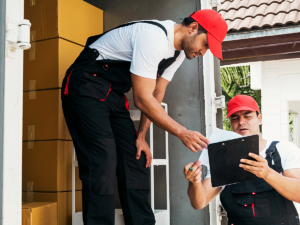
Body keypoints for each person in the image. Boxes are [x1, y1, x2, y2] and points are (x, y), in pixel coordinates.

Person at [61, 9, 227, 225]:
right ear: (193, 28)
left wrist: (141, 137)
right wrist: (182, 132)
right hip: (85, 85)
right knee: (103, 159)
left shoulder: (177, 53)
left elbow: (156, 95)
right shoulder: (154, 37)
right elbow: (141, 99)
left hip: (112, 93)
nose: (203, 52)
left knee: (134, 157)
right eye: (205, 45)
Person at [184, 95, 300, 225]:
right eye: (235, 118)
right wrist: (194, 182)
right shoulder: (224, 158)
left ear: (259, 119)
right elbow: (199, 203)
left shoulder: (283, 149)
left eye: (247, 115)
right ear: (231, 124)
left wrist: (268, 173)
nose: (241, 122)